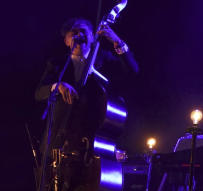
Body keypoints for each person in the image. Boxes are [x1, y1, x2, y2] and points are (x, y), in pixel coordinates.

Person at [34, 16, 139, 149]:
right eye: (74, 32)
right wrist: (57, 85)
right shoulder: (56, 64)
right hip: (59, 141)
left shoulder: (104, 59)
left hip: (94, 140)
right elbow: (38, 93)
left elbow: (132, 70)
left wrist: (118, 42)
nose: (79, 35)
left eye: (83, 31)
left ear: (92, 37)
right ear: (66, 41)